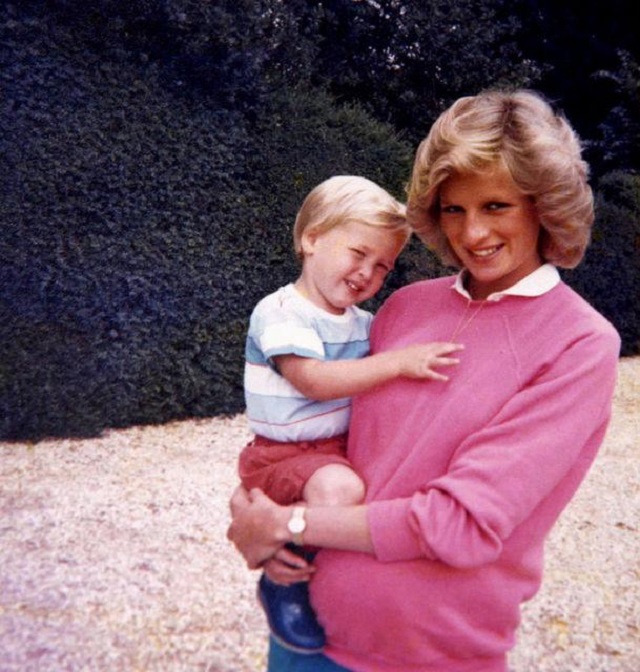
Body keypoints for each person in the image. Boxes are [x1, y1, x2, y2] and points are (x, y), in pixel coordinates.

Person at [227, 89, 621, 672]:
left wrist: (290, 522)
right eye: (454, 209)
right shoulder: (404, 308)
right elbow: (310, 429)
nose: (472, 233)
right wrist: (250, 509)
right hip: (305, 636)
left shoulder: (579, 344)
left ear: (544, 205)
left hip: (424, 654)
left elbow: (460, 523)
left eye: (496, 206)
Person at [240, 175, 463, 654]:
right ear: (311, 238)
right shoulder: (281, 312)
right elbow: (314, 381)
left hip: (331, 451)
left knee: (353, 487)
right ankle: (285, 580)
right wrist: (399, 363)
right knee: (341, 489)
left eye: (382, 266)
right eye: (358, 253)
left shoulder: (365, 324)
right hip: (282, 455)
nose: (367, 273)